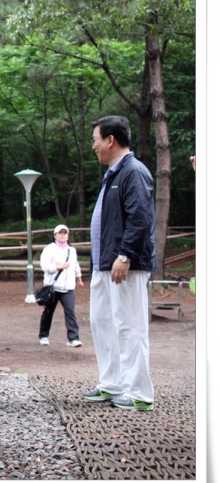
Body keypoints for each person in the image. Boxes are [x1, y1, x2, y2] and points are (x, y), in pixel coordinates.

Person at [83, 115, 156, 412]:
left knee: (130, 325)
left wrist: (125, 254)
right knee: (101, 322)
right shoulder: (113, 173)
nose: (93, 147)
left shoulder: (133, 172)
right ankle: (112, 382)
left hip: (125, 263)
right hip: (104, 264)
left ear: (110, 140)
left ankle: (139, 392)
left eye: (95, 140)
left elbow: (140, 217)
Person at [37, 224, 83, 347]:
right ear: (55, 235)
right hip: (53, 286)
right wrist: (59, 267)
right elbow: (45, 266)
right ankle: (43, 335)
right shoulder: (49, 249)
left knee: (70, 312)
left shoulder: (71, 250)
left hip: (68, 287)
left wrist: (79, 278)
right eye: (60, 233)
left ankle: (73, 338)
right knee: (48, 311)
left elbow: (75, 265)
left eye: (65, 233)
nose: (63, 235)